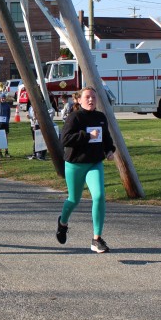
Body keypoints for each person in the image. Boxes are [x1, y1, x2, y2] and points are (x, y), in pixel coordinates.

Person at [56, 87, 116, 254]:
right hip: (75, 164)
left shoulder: (100, 117)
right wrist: (87, 135)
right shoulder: (74, 117)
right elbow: (65, 140)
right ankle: (63, 222)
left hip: (94, 164)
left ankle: (96, 239)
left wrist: (109, 150)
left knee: (99, 196)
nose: (91, 100)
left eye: (93, 98)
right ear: (79, 100)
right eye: (87, 97)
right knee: (74, 199)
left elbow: (106, 139)